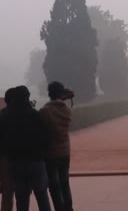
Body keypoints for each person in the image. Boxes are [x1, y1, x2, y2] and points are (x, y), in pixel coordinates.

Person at [2, 86, 51, 211]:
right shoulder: (35, 114)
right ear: (26, 97)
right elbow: (45, 137)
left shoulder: (6, 116)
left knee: (22, 197)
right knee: (41, 195)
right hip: (35, 161)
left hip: (15, 162)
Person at [40, 82, 74, 211]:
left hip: (51, 153)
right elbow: (60, 102)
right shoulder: (66, 110)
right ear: (62, 94)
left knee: (54, 186)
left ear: (49, 94)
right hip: (65, 152)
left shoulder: (45, 110)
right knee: (65, 183)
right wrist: (63, 96)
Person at [0, 88, 15, 211]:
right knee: (8, 192)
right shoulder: (21, 115)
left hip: (3, 156)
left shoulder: (2, 114)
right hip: (14, 157)